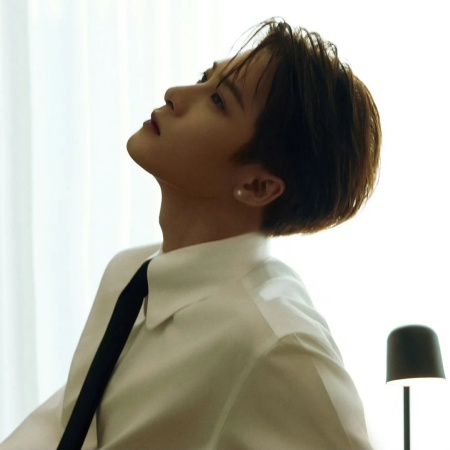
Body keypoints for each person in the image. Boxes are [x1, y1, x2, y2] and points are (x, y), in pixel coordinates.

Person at [1, 18, 381, 449]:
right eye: (204, 78)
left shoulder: (276, 342)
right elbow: (68, 425)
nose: (176, 94)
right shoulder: (129, 275)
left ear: (258, 186)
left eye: (218, 100)